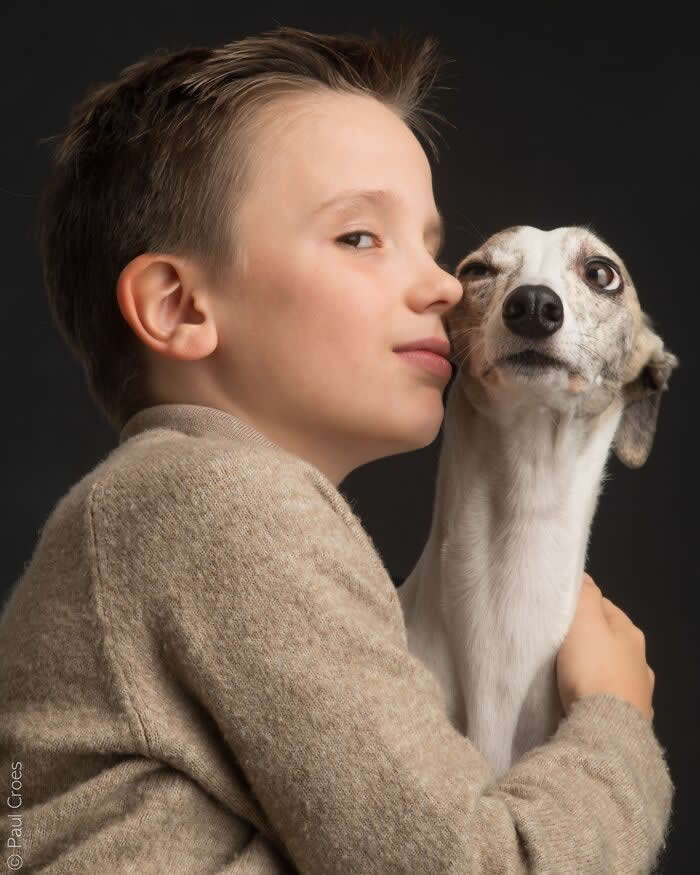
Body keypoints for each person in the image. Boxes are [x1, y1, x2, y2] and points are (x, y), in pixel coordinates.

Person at [0, 24, 673, 873]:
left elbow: (20, 811)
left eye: (433, 249)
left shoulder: (158, 504)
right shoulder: (225, 506)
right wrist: (616, 723)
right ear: (179, 307)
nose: (442, 288)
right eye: (361, 238)